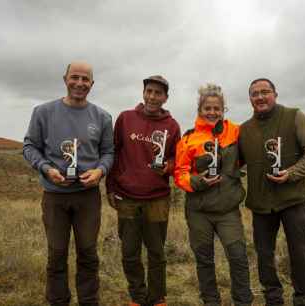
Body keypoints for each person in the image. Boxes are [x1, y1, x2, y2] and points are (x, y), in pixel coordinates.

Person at [23, 61, 113, 306]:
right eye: (75, 77)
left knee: (88, 253)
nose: (80, 83)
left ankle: (89, 301)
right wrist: (46, 168)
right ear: (65, 79)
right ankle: (58, 301)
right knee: (57, 254)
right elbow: (30, 146)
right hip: (55, 195)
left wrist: (100, 171)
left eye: (85, 79)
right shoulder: (43, 112)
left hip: (87, 197)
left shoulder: (103, 117)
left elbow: (108, 152)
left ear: (92, 84)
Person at [239, 78, 305, 306]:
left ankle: (304, 300)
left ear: (275, 94)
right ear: (250, 99)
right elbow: (233, 162)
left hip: (294, 201)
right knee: (265, 258)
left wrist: (291, 173)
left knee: (300, 255)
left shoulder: (294, 116)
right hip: (261, 205)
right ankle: (273, 301)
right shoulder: (244, 130)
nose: (260, 97)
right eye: (255, 94)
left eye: (265, 92)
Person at [174, 84, 253, 306]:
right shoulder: (188, 139)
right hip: (198, 211)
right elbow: (179, 173)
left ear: (223, 109)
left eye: (216, 108)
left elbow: (249, 154)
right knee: (204, 259)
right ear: (200, 109)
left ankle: (243, 301)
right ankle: (211, 301)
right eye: (207, 108)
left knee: (238, 257)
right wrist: (198, 181)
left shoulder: (236, 132)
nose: (212, 112)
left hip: (228, 210)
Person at [105, 75, 181, 306]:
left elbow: (175, 159)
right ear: (143, 92)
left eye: (158, 93)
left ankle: (157, 298)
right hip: (127, 197)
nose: (152, 97)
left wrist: (166, 167)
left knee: (156, 252)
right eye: (149, 91)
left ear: (165, 97)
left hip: (157, 199)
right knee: (130, 252)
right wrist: (110, 186)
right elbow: (114, 152)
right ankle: (137, 297)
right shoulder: (125, 119)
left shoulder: (172, 125)